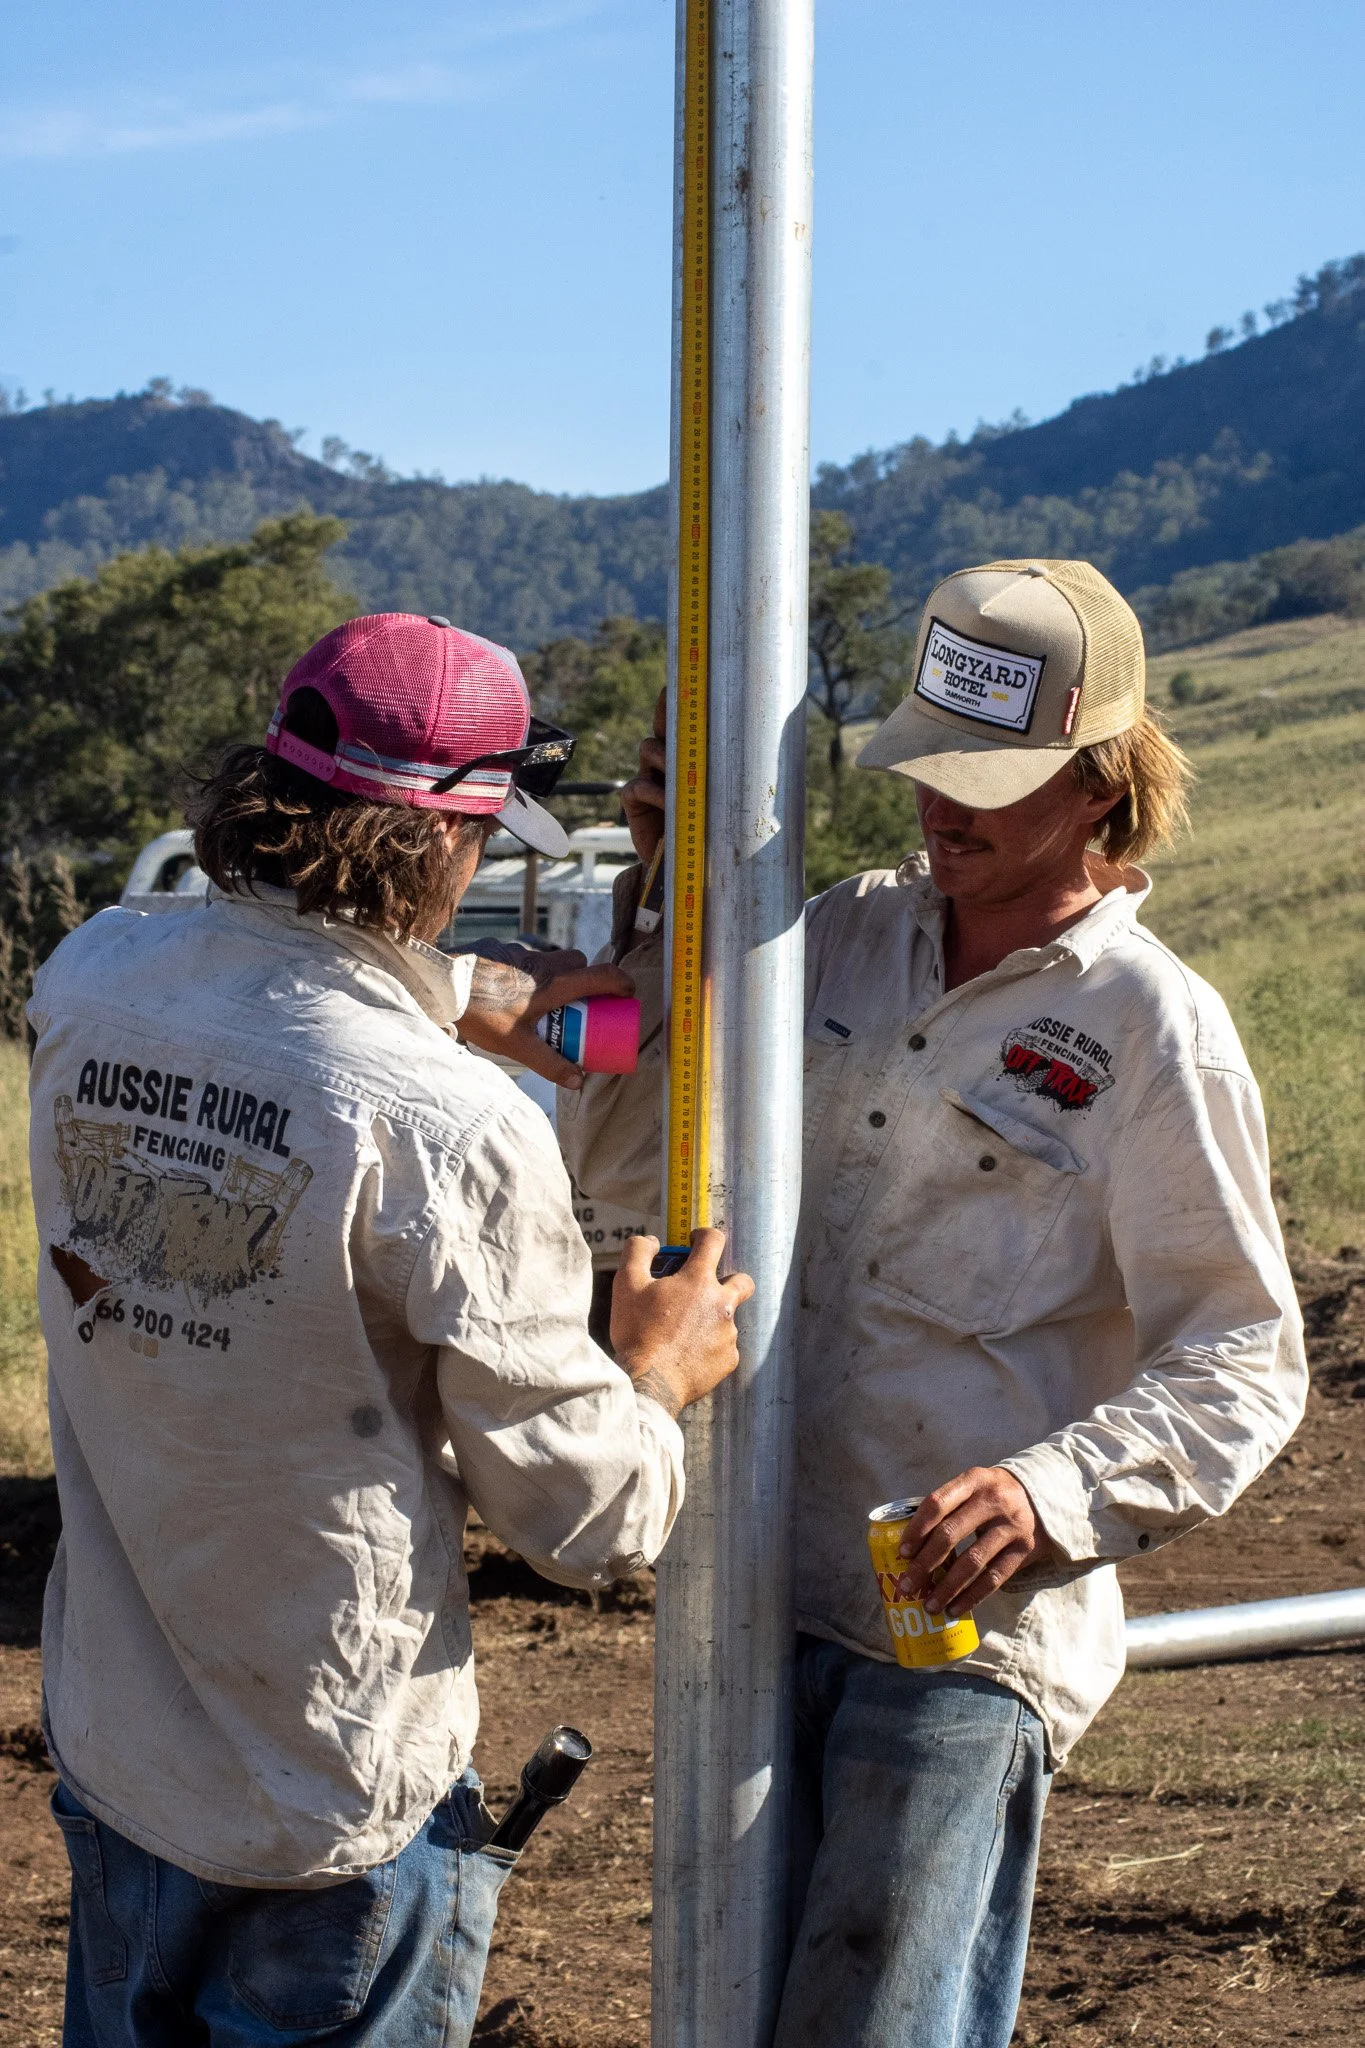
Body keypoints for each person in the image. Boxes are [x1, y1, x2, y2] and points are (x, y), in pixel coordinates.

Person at [559, 559, 1308, 2048]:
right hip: (756, 1593)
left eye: (992, 782)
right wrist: (671, 889)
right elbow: (623, 1142)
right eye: (933, 770)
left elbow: (1245, 1353)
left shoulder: (1150, 1031)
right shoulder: (833, 933)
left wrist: (1050, 1493)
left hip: (955, 1639)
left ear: (1102, 781)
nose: (942, 808)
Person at [27, 610, 752, 2048]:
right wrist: (655, 1374)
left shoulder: (95, 975)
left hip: (120, 1750)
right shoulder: (449, 1125)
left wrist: (453, 992)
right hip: (331, 1805)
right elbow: (585, 1523)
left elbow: (257, 999)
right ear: (447, 844)